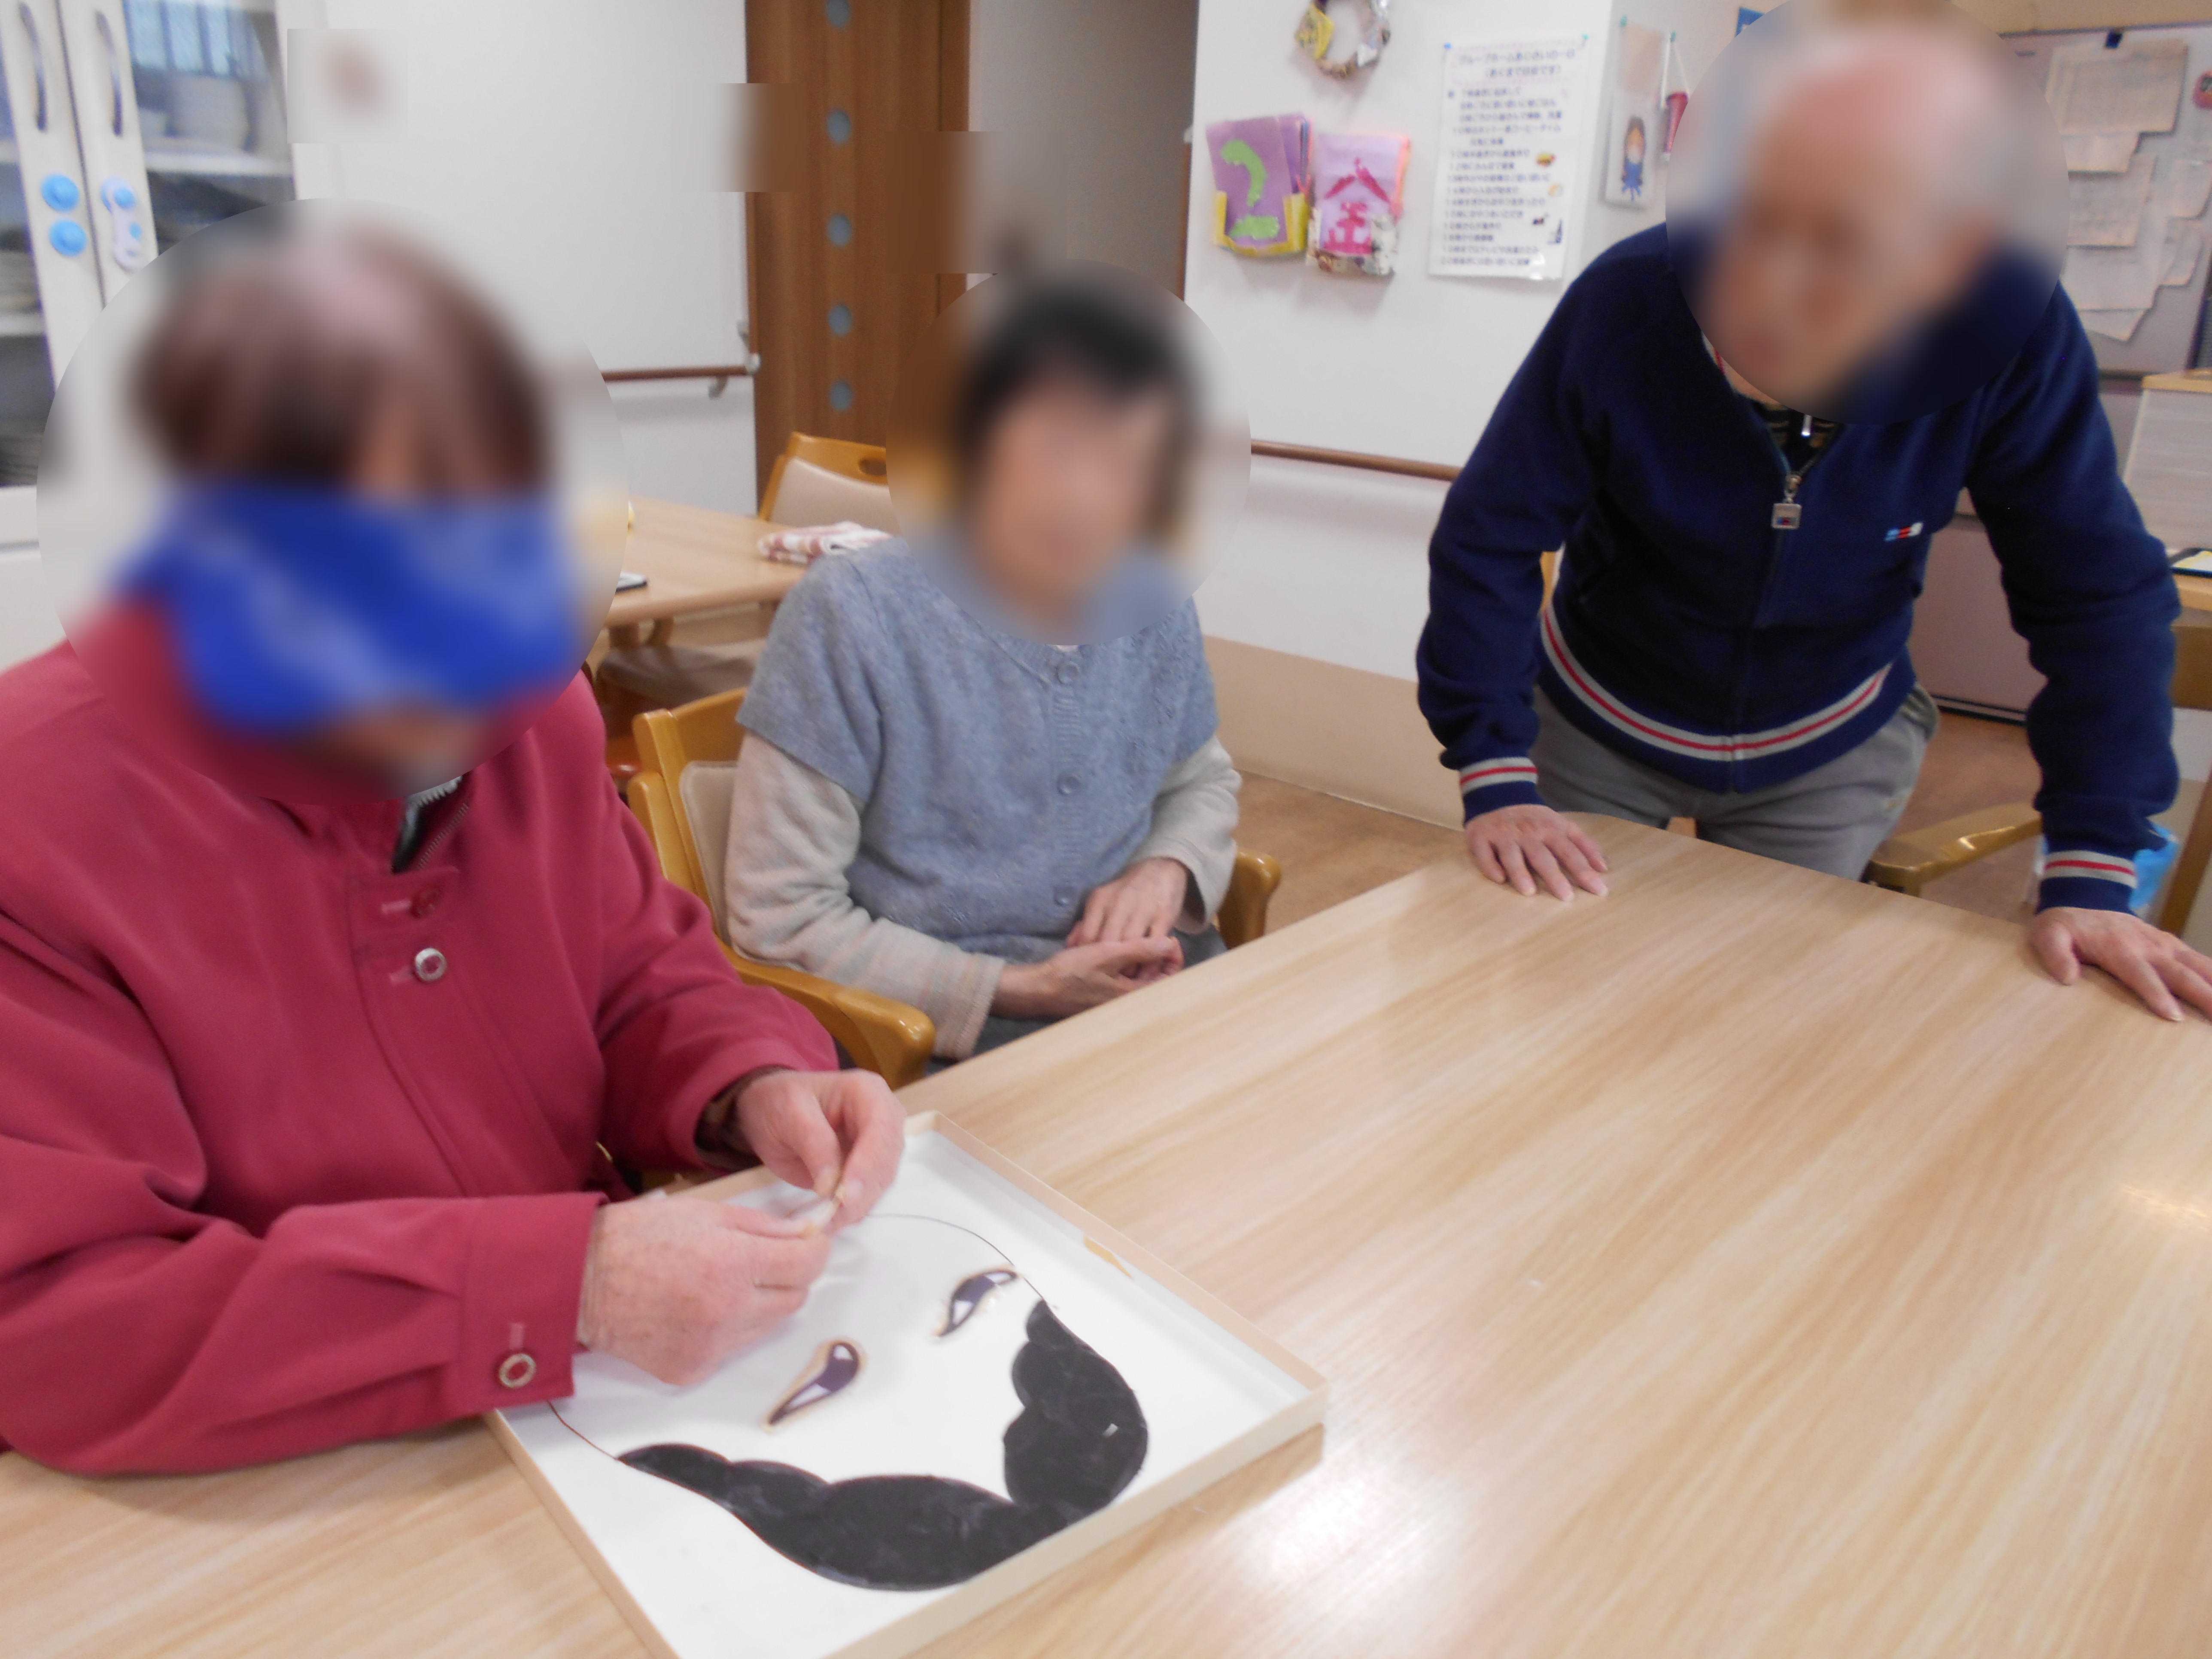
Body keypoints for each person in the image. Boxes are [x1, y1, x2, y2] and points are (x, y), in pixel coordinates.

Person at [0, 223, 905, 1476]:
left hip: (586, 1415)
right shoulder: (40, 818)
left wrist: (745, 1081)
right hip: (293, 1469)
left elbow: (640, 978)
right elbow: (61, 1325)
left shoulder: (532, 717)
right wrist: (564, 1288)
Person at [1417, 12, 2212, 1021]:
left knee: (1763, 1012)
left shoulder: (2012, 335)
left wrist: (2091, 865)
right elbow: (1487, 534)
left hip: (1829, 734)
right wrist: (1495, 769)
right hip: (1600, 711)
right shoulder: (1627, 302)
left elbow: (2095, 593)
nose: (1771, 289)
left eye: (1842, 244)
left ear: (1951, 254)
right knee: (1546, 992)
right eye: (1756, 219)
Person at [721, 276, 1240, 1063]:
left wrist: (1165, 869)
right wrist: (1020, 987)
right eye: (1058, 448)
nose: (1087, 495)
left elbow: (1200, 783)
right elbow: (780, 915)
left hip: (1153, 1000)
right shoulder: (853, 616)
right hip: (938, 1040)